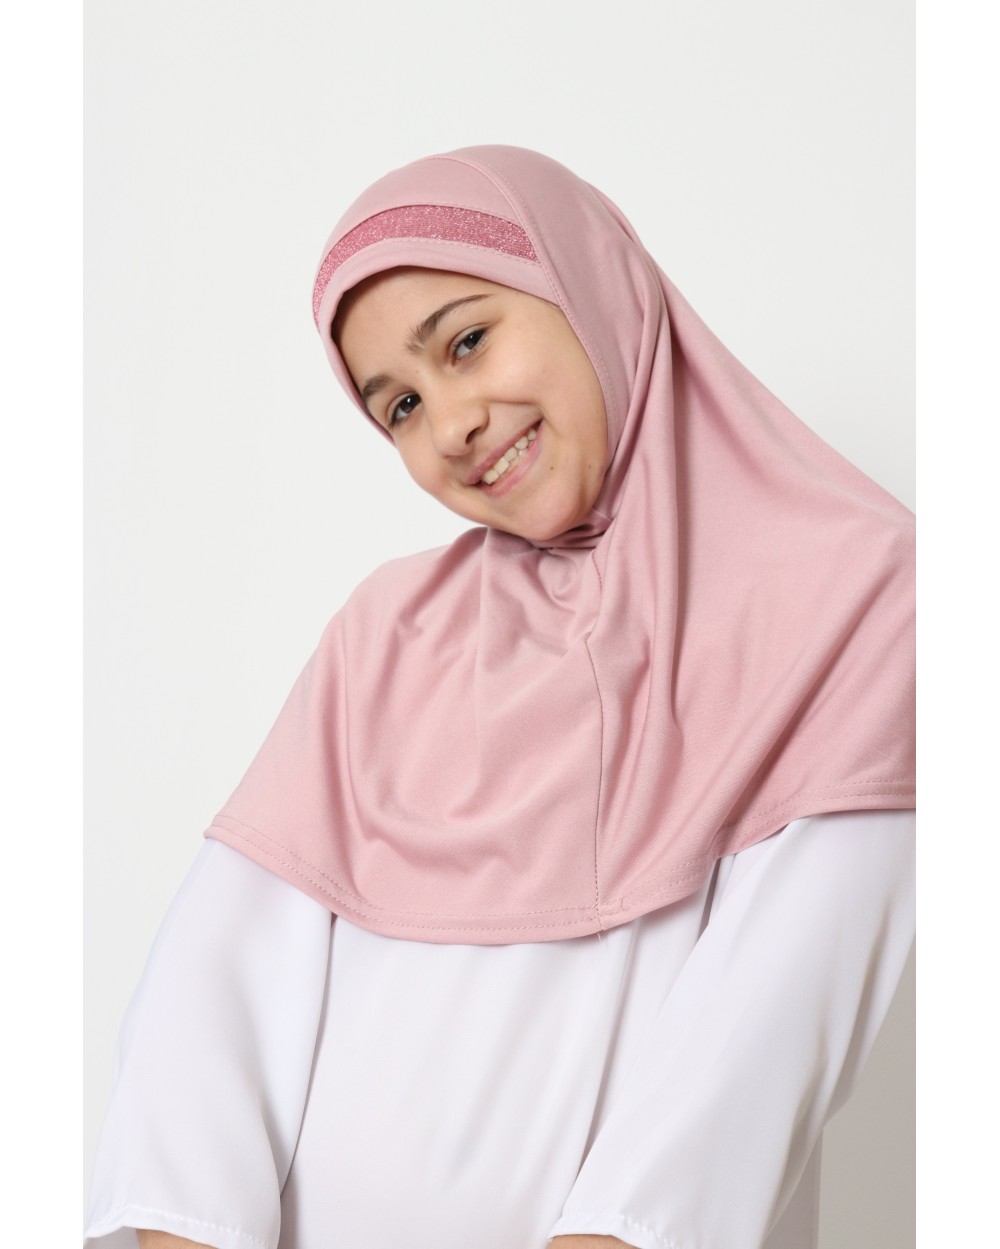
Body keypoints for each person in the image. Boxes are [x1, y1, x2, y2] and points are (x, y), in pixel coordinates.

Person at [84, 146, 916, 1249]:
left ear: (591, 283)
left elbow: (766, 1028)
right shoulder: (390, 630)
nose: (451, 426)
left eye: (466, 341)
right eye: (399, 405)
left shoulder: (863, 599)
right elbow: (213, 994)